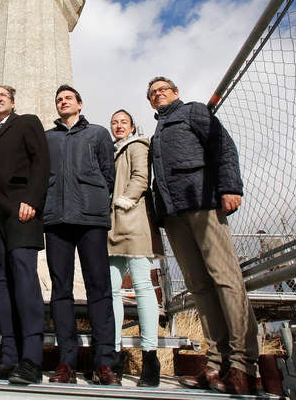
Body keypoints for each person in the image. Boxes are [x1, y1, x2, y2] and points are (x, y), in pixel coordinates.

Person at [147, 77, 259, 395]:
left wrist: (230, 186)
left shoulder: (194, 112)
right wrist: (160, 215)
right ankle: (215, 361)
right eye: (152, 94)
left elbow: (222, 147)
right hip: (174, 214)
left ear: (175, 93)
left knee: (225, 279)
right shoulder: (158, 133)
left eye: (162, 90)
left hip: (203, 203)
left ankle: (241, 364)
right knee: (198, 286)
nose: (157, 95)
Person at [0, 85, 50, 385]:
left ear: (13, 101)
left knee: (24, 280)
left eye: (3, 94)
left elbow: (42, 163)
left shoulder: (27, 122)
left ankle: (31, 359)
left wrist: (32, 200)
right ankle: (8, 358)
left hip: (21, 211)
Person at [42, 85, 117, 385]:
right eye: (59, 100)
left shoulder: (98, 134)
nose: (63, 102)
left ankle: (104, 363)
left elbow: (107, 173)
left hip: (91, 219)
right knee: (61, 290)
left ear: (80, 104)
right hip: (57, 219)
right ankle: (66, 362)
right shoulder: (48, 138)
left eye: (68, 98)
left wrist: (94, 199)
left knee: (98, 288)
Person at [107, 109, 164, 386]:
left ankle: (150, 357)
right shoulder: (114, 152)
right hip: (114, 226)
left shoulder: (138, 145)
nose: (118, 126)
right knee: (112, 290)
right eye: (114, 122)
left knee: (142, 286)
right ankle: (115, 353)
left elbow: (141, 177)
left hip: (135, 220)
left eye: (123, 122)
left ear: (131, 127)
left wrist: (123, 201)